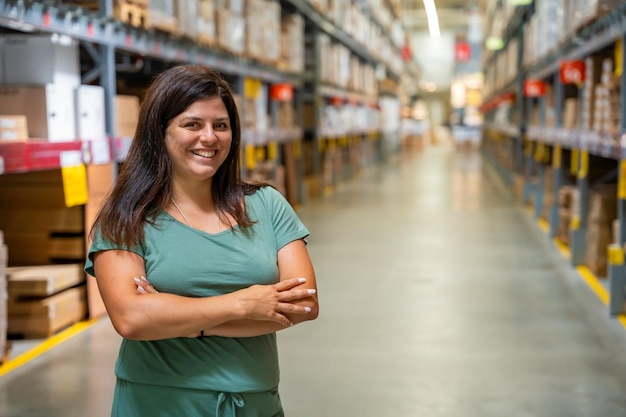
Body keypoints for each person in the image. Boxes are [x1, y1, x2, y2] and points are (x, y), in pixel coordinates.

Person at [84, 64, 319, 417]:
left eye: (220, 125)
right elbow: (131, 318)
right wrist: (243, 304)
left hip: (252, 400)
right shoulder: (126, 216)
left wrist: (174, 315)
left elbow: (302, 306)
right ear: (160, 132)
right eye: (192, 124)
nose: (209, 137)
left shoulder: (266, 205)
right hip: (159, 402)